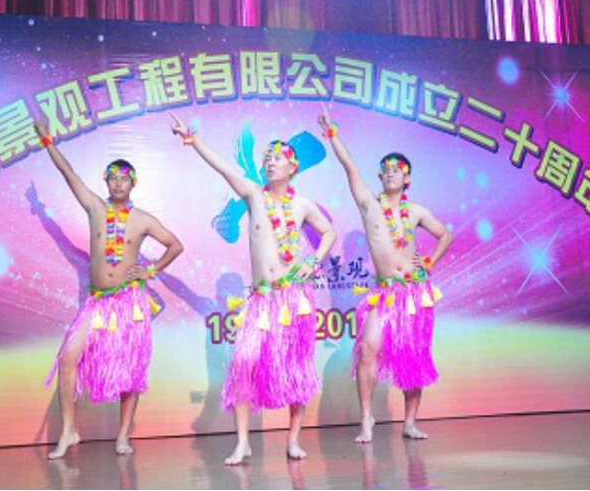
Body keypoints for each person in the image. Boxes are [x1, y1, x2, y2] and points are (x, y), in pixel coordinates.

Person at [169, 113, 336, 464]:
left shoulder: (302, 205)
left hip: (294, 299)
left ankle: (293, 441)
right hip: (262, 300)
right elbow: (224, 168)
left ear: (292, 166)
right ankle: (243, 442)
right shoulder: (254, 196)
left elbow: (329, 232)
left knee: (296, 370)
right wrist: (192, 139)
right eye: (266, 158)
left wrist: (315, 260)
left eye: (276, 158)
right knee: (243, 362)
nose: (269, 163)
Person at [36, 120, 184, 458]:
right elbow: (69, 174)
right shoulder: (95, 208)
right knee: (68, 357)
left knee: (130, 371)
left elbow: (175, 245)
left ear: (133, 183)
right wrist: (47, 141)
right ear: (106, 181)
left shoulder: (142, 218)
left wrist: (151, 270)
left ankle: (122, 436)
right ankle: (69, 431)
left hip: (129, 302)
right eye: (113, 178)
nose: (119, 183)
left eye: (124, 178)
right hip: (98, 304)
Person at [317, 104, 452, 442]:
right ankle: (367, 418)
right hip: (385, 293)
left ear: (407, 178)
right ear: (379, 177)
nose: (390, 173)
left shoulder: (416, 211)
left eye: (397, 169)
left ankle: (409, 422)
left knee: (413, 356)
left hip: (414, 293)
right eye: (385, 169)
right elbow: (350, 167)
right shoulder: (369, 205)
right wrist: (332, 134)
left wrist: (429, 262)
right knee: (368, 348)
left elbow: (445, 235)